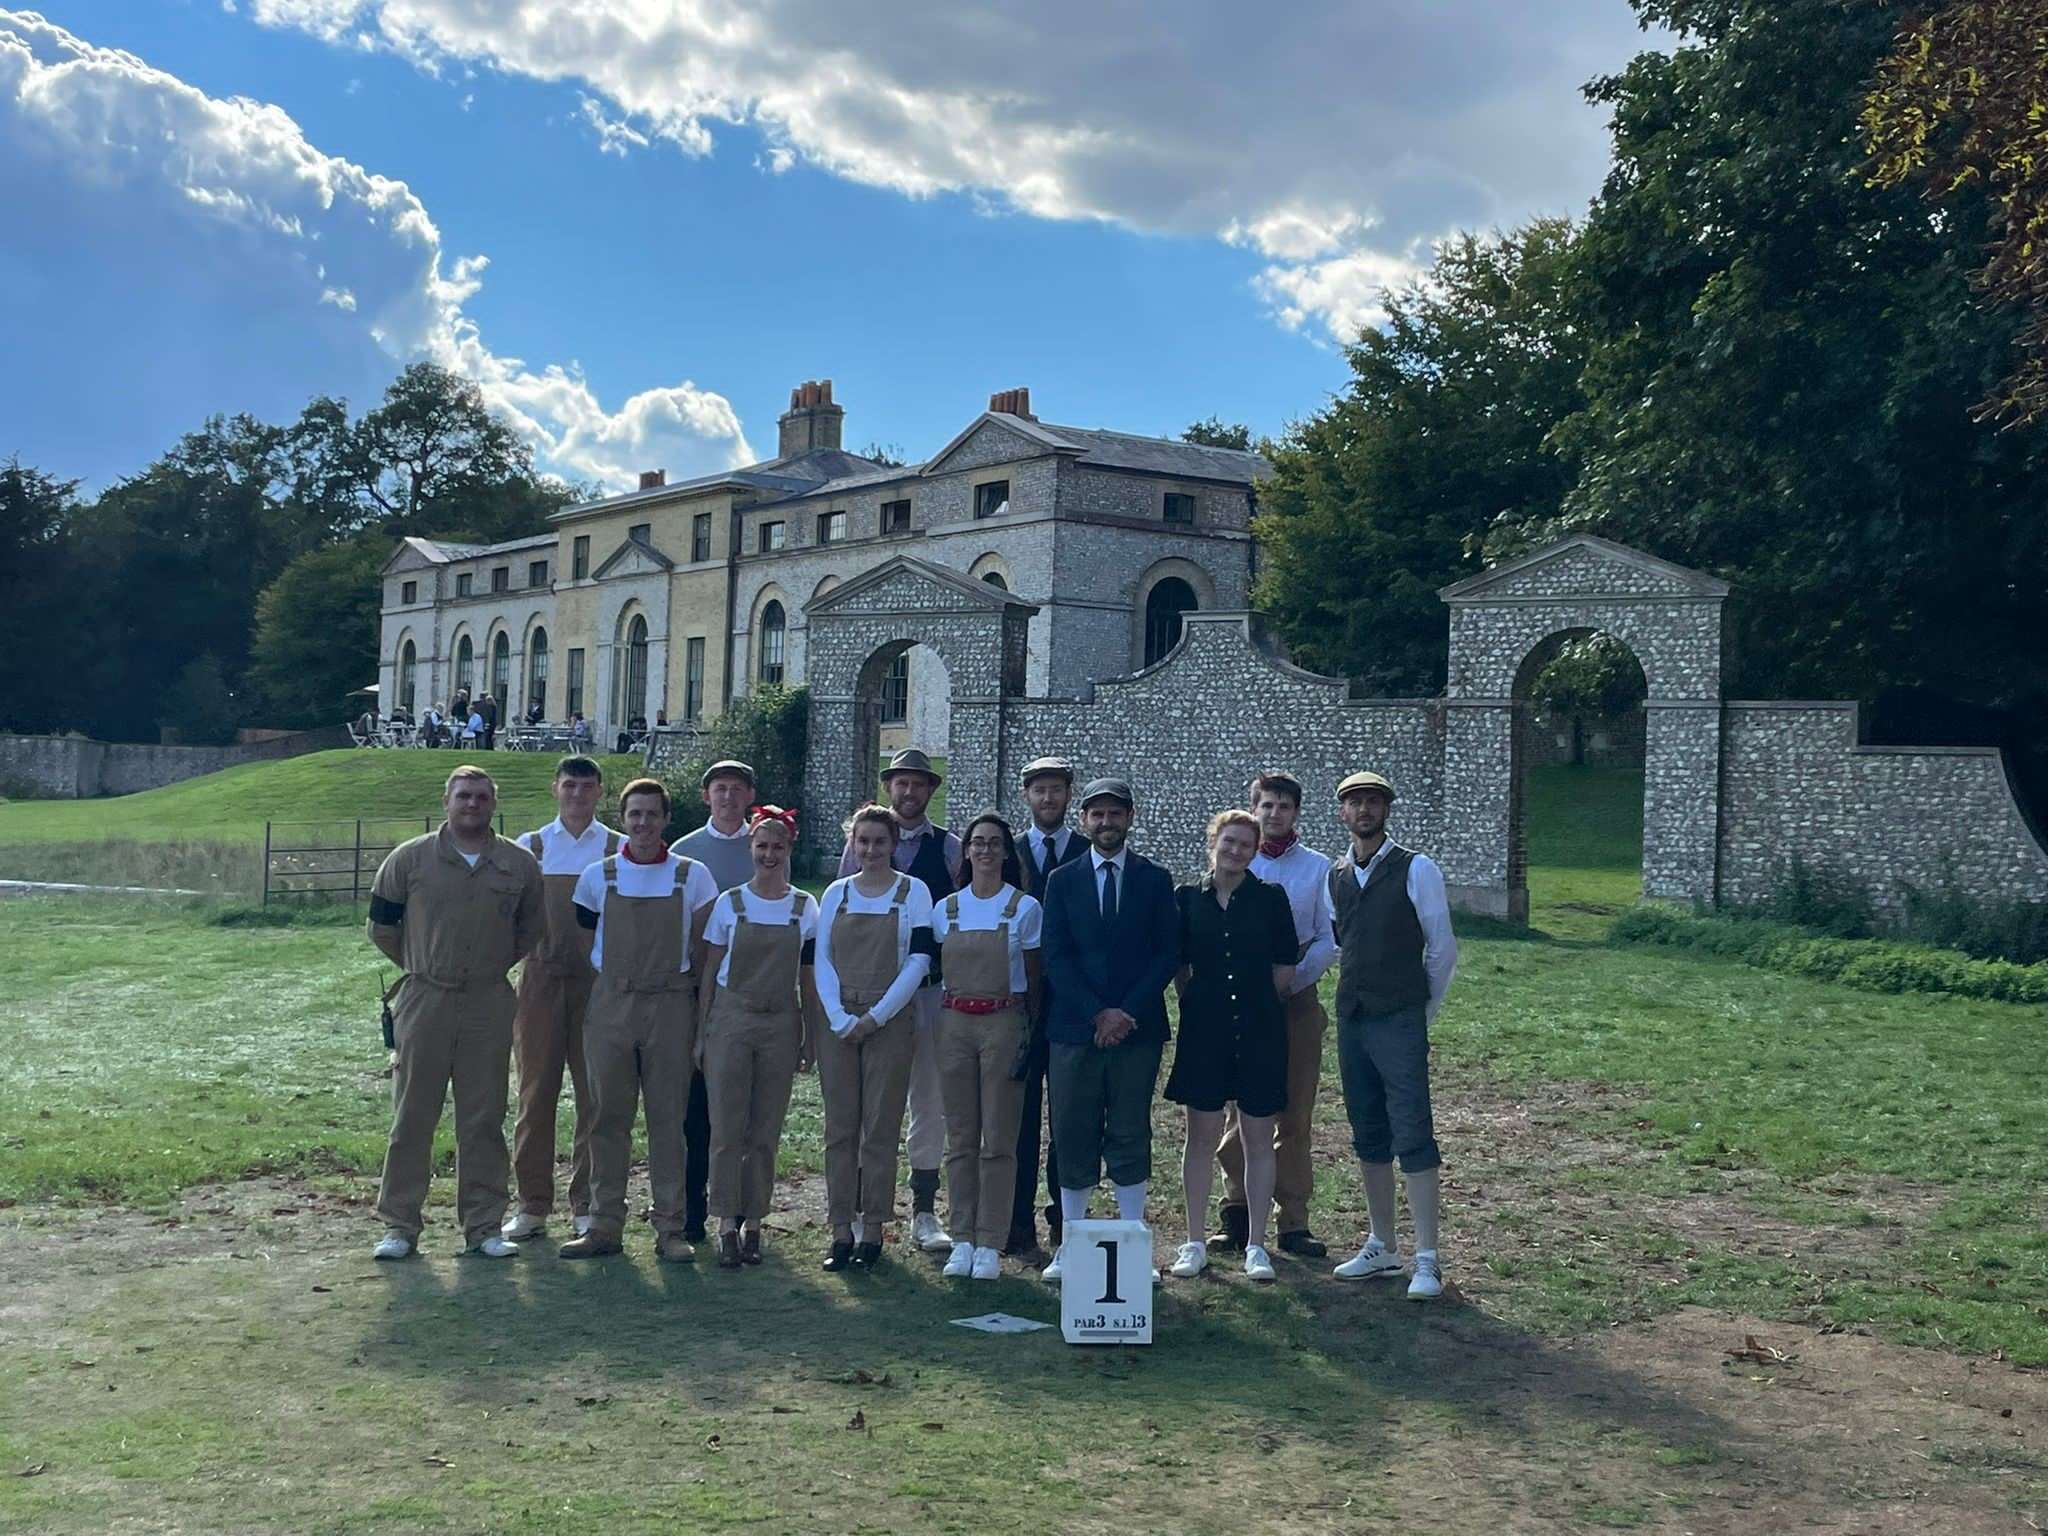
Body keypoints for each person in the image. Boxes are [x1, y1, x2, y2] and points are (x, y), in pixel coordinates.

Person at [366, 765, 545, 1260]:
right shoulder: (409, 859)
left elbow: (530, 929)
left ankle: (484, 1226)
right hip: (424, 998)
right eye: (464, 796)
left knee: (483, 1118)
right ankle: (400, 1226)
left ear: (494, 804)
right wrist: (423, 965)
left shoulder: (518, 865)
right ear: (446, 801)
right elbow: (381, 926)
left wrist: (486, 966)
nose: (472, 804)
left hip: (488, 1000)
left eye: (482, 797)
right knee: (412, 1116)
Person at [558, 778, 720, 1261]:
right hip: (612, 1004)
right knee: (606, 1117)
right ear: (623, 819)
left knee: (668, 1120)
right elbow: (586, 942)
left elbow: (703, 946)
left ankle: (671, 1228)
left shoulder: (692, 876)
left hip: (670, 1005)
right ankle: (603, 1225)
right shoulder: (598, 877)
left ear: (667, 819)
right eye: (635, 814)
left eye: (652, 814)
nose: (643, 823)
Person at [1037, 777, 1178, 1282]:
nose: (1106, 822)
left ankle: (1132, 1240)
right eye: (1096, 814)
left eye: (1115, 813)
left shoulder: (1155, 879)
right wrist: (1097, 1013)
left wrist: (1125, 1012)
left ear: (1130, 818)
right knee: (1072, 1131)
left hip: (1137, 1030)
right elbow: (1055, 955)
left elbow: (1167, 952)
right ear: (1084, 820)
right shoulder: (1063, 880)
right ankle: (1071, 1242)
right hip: (1074, 1028)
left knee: (1129, 1129)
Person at [1326, 771, 1459, 1299]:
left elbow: (1442, 948)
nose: (1364, 810)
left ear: (1386, 809)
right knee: (1368, 1128)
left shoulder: (1416, 868)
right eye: (1355, 802)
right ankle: (1382, 1243)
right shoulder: (1336, 874)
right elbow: (1343, 942)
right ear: (1342, 812)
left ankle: (1427, 1257)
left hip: (1399, 1016)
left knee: (1413, 1130)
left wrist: (1421, 1011)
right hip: (1353, 1018)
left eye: (1373, 802)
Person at [1167, 809, 1299, 1283]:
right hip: (1204, 1032)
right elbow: (1179, 965)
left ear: (1255, 850)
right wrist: (1203, 1003)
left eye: (1246, 844)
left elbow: (1285, 966)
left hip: (1260, 1030)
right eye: (1229, 842)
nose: (1236, 850)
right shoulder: (1186, 898)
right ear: (1213, 843)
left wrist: (1254, 1001)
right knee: (1200, 1139)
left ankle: (1257, 1245)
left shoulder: (1271, 899)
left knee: (1258, 1139)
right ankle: (1194, 1241)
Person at [1213, 769, 1339, 1258]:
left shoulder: (1318, 867)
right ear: (1253, 809)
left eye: (1284, 806)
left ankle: (1293, 1221)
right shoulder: (1237, 861)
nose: (1274, 814)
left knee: (1295, 1113)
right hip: (1239, 1001)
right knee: (1239, 1112)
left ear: (1297, 813)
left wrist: (1292, 981)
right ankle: (1237, 1210)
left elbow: (1328, 938)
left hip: (1295, 1000)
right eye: (1266, 804)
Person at [836, 748, 958, 1254]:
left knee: (928, 1100)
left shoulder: (949, 848)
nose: (909, 792)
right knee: (867, 1105)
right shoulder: (860, 845)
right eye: (901, 783)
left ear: (930, 790)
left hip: (928, 992)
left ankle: (923, 1209)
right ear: (889, 787)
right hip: (866, 997)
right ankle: (861, 1209)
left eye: (918, 784)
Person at [501, 756, 621, 1244]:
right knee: (535, 1094)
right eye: (570, 785)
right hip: (540, 981)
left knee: (596, 1096)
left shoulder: (617, 847)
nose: (577, 794)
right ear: (555, 789)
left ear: (600, 792)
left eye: (587, 787)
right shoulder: (529, 847)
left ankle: (586, 1204)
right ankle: (532, 1204)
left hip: (597, 984)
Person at [694, 805, 821, 1268]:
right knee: (727, 1129)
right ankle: (725, 1222)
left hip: (780, 1022)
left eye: (778, 846)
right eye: (762, 845)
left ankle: (754, 1223)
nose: (769, 854)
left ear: (789, 849)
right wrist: (702, 1033)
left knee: (765, 1129)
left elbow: (808, 977)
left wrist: (809, 1035)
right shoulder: (731, 903)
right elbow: (710, 971)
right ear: (751, 847)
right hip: (732, 1019)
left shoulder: (805, 907)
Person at [815, 803, 939, 1270]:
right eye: (862, 841)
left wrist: (877, 1016)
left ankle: (873, 1229)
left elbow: (920, 960)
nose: (870, 850)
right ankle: (840, 1228)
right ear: (853, 843)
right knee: (840, 1128)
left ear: (894, 845)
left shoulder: (914, 893)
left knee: (881, 1128)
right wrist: (839, 1016)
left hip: (891, 1020)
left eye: (879, 842)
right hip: (839, 1022)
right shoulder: (836, 893)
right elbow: (822, 958)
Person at [931, 812, 1042, 1280]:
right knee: (960, 1138)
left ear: (1006, 852)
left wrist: (1029, 1035)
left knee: (998, 1138)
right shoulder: (946, 910)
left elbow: (1034, 981)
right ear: (966, 850)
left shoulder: (1025, 909)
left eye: (995, 843)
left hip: (1003, 1021)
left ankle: (991, 1241)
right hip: (954, 1023)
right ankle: (961, 1236)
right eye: (977, 842)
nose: (985, 850)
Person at [670, 759, 762, 1241]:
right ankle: (693, 1205)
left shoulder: (764, 847)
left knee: (744, 1109)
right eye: (719, 788)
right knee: (696, 1108)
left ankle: (740, 1207)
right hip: (695, 991)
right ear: (706, 796)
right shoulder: (685, 851)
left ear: (749, 796)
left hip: (751, 992)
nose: (728, 797)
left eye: (736, 789)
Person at [1009, 755, 1086, 1256]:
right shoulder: (1008, 851)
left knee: (1068, 1119)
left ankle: (1064, 1221)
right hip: (1018, 1002)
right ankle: (1016, 1222)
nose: (1048, 798)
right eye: (1039, 790)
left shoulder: (1086, 850)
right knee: (1018, 1118)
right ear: (1027, 796)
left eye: (1056, 789)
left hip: (1071, 1003)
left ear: (1068, 795)